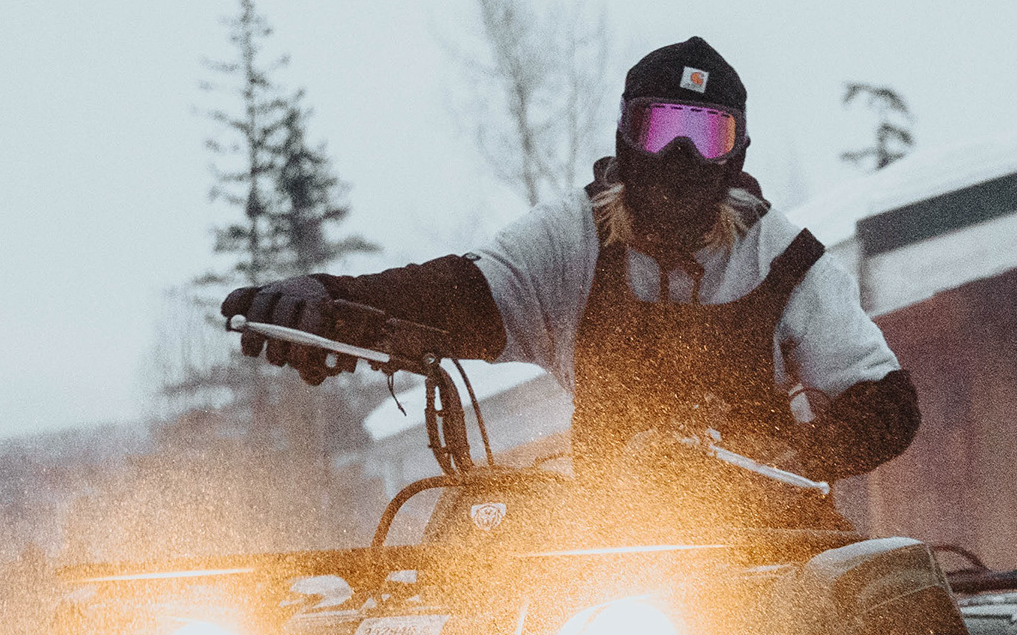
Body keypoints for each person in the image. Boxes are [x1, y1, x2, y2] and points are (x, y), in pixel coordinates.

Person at [221, 35, 920, 485]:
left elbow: (883, 403)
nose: (679, 158)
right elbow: (460, 293)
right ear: (625, 136)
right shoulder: (573, 241)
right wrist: (335, 302)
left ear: (735, 155)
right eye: (660, 128)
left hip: (769, 548)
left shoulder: (785, 261)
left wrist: (796, 456)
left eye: (704, 135)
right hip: (612, 558)